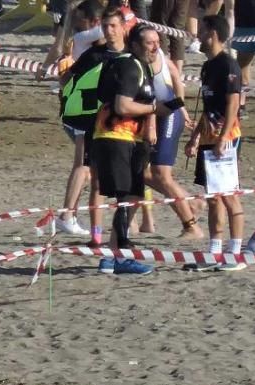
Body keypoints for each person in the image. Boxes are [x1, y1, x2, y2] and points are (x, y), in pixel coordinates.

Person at [91, 21, 180, 274]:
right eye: (149, 43)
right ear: (135, 45)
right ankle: (117, 258)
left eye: (157, 43)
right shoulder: (131, 66)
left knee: (132, 197)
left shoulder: (141, 66)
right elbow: (123, 106)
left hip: (128, 138)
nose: (155, 47)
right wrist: (154, 110)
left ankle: (112, 257)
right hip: (116, 137)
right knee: (127, 198)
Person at [53, 0, 118, 243]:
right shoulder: (85, 44)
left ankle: (69, 215)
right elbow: (112, 29)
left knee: (89, 168)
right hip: (84, 113)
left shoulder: (83, 43)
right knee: (83, 165)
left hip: (79, 110)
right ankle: (67, 215)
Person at [185, 14, 245, 257]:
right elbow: (208, 108)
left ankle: (236, 247)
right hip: (209, 136)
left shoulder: (228, 64)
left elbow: (233, 104)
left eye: (201, 31)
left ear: (212, 34)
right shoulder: (207, 66)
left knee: (228, 195)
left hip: (227, 137)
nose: (197, 36)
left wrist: (223, 138)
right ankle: (215, 246)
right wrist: (195, 137)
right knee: (212, 197)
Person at [144, 40, 205, 239]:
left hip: (167, 115)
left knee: (161, 174)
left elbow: (174, 80)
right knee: (140, 172)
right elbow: (176, 78)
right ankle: (189, 202)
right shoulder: (141, 50)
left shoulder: (150, 53)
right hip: (156, 115)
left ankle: (191, 226)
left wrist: (180, 107)